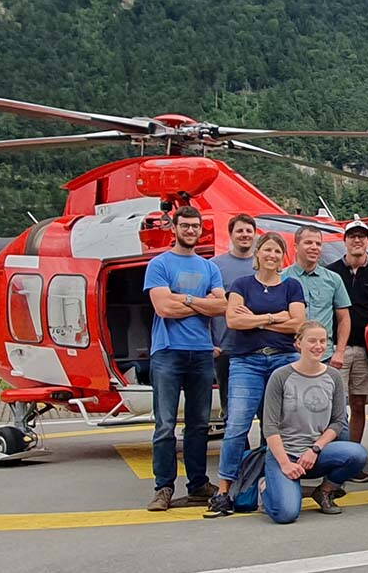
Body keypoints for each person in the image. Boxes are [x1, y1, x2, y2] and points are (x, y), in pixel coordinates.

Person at [205, 233, 306, 518]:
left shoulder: (292, 286)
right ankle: (224, 490)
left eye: (277, 251)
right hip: (246, 362)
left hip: (283, 361)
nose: (272, 255)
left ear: (282, 256)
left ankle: (268, 483)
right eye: (267, 250)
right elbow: (234, 320)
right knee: (237, 425)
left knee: (275, 427)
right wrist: (276, 317)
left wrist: (259, 320)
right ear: (258, 254)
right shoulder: (241, 285)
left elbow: (298, 323)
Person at [143, 206, 227, 511]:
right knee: (165, 424)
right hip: (167, 352)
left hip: (202, 353)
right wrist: (202, 302)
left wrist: (184, 298)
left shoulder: (210, 268)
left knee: (199, 424)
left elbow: (222, 306)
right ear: (174, 228)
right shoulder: (159, 264)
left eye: (195, 226)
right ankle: (163, 487)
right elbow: (163, 309)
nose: (190, 230)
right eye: (185, 226)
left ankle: (198, 484)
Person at [259, 321, 368, 523]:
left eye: (323, 340)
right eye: (311, 341)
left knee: (357, 454)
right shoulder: (281, 376)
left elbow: (337, 422)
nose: (318, 346)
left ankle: (325, 491)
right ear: (298, 344)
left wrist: (315, 449)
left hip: (315, 454)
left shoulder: (333, 376)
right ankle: (267, 487)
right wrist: (284, 463)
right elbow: (270, 426)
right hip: (286, 454)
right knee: (286, 514)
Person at [326, 216, 368, 483]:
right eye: (352, 236)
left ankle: (353, 458)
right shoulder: (331, 271)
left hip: (366, 350)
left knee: (359, 404)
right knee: (335, 406)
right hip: (337, 349)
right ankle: (335, 456)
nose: (357, 240)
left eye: (361, 236)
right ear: (345, 241)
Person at [211, 214, 257, 425]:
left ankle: (265, 456)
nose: (244, 235)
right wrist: (210, 342)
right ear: (230, 234)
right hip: (227, 348)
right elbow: (207, 306)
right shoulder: (215, 266)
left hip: (259, 346)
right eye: (240, 231)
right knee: (232, 411)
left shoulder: (264, 264)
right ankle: (238, 456)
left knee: (267, 411)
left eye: (249, 231)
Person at [283, 226, 351, 366]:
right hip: (289, 355)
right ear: (295, 247)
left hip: (324, 356)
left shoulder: (333, 279)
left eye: (318, 244)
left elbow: (344, 318)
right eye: (308, 243)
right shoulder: (281, 278)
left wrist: (339, 352)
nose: (314, 247)